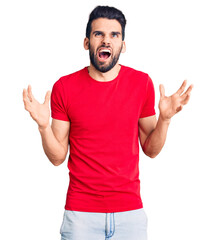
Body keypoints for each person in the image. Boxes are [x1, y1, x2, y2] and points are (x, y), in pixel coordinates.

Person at [23, 5, 193, 240]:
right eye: (98, 34)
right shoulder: (65, 87)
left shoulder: (141, 83)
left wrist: (164, 119)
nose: (106, 40)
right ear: (86, 43)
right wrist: (43, 127)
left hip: (130, 215)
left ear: (123, 45)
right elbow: (57, 157)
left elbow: (151, 150)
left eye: (114, 35)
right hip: (80, 215)